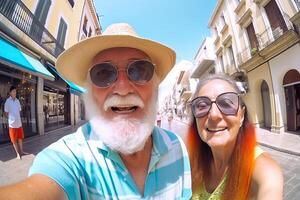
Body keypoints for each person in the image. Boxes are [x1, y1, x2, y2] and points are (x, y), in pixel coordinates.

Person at [0, 23, 191, 199]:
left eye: (140, 70)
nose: (123, 89)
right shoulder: (69, 157)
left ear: (156, 87)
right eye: (103, 73)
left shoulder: (177, 147)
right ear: (89, 92)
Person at [187, 74, 283, 200]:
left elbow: (270, 187)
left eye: (226, 103)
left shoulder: (264, 171)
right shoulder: (192, 162)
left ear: (242, 116)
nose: (214, 115)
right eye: (203, 105)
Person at [4, 86, 26, 159]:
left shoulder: (17, 101)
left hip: (19, 123)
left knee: (20, 138)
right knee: (14, 140)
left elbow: (19, 110)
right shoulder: (7, 101)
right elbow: (6, 113)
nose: (15, 93)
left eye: (15, 91)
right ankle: (18, 154)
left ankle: (21, 151)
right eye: (13, 91)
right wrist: (11, 119)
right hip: (12, 125)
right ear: (10, 93)